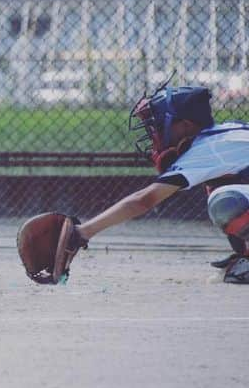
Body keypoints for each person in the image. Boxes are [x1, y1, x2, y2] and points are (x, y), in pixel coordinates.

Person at [68, 83, 249, 284]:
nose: (154, 132)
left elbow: (143, 200)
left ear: (186, 125)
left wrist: (83, 232)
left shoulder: (206, 150)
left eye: (160, 124)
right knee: (220, 188)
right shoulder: (224, 132)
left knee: (226, 202)